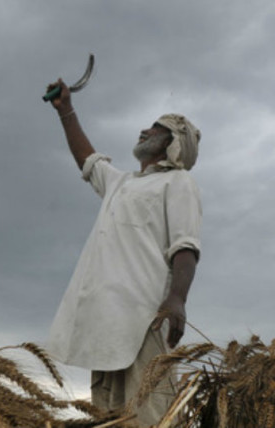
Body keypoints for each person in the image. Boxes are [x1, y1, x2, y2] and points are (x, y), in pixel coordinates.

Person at [44, 79, 202, 426]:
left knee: (150, 414)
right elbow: (87, 159)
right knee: (109, 416)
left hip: (145, 317)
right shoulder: (121, 184)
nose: (144, 130)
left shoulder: (178, 184)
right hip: (105, 323)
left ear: (172, 143)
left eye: (156, 128)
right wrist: (66, 111)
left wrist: (177, 298)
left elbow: (185, 247)